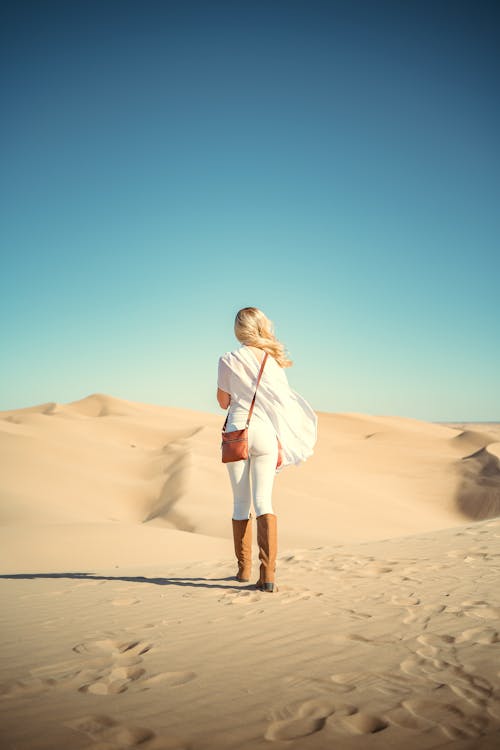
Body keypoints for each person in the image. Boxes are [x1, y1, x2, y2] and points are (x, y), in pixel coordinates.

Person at [217, 307, 317, 593]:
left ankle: (242, 569)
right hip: (267, 435)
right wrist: (281, 442)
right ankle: (268, 575)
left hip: (238, 432)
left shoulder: (227, 359)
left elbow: (223, 402)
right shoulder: (272, 362)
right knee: (264, 502)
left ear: (239, 330)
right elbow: (282, 407)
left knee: (240, 503)